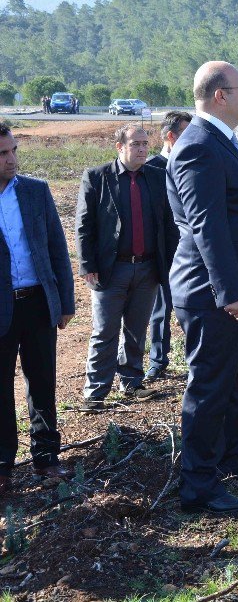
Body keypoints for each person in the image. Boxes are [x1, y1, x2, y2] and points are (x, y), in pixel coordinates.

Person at [168, 61, 238, 513]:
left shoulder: (219, 141)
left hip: (236, 293)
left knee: (237, 380)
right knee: (210, 388)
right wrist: (230, 291)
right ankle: (198, 486)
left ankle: (235, 464)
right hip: (212, 294)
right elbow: (207, 227)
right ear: (220, 96)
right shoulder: (198, 146)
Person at [76, 124, 176, 410]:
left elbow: (168, 224)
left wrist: (168, 264)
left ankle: (131, 381)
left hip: (147, 268)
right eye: (136, 144)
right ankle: (95, 391)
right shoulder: (97, 177)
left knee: (136, 328)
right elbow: (84, 226)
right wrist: (87, 264)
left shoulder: (157, 176)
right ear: (119, 147)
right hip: (111, 269)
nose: (143, 149)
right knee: (105, 330)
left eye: (145, 143)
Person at [0, 122, 75, 494]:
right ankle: (3, 465)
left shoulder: (35, 192)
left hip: (37, 302)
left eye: (13, 150)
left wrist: (64, 302)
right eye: (3, 153)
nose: (11, 159)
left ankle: (47, 459)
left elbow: (58, 250)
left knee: (43, 382)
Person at [143, 111, 191, 383]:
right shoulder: (152, 170)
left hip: (189, 252)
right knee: (160, 310)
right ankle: (157, 362)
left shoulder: (192, 164)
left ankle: (194, 359)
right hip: (162, 253)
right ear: (171, 137)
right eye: (186, 134)